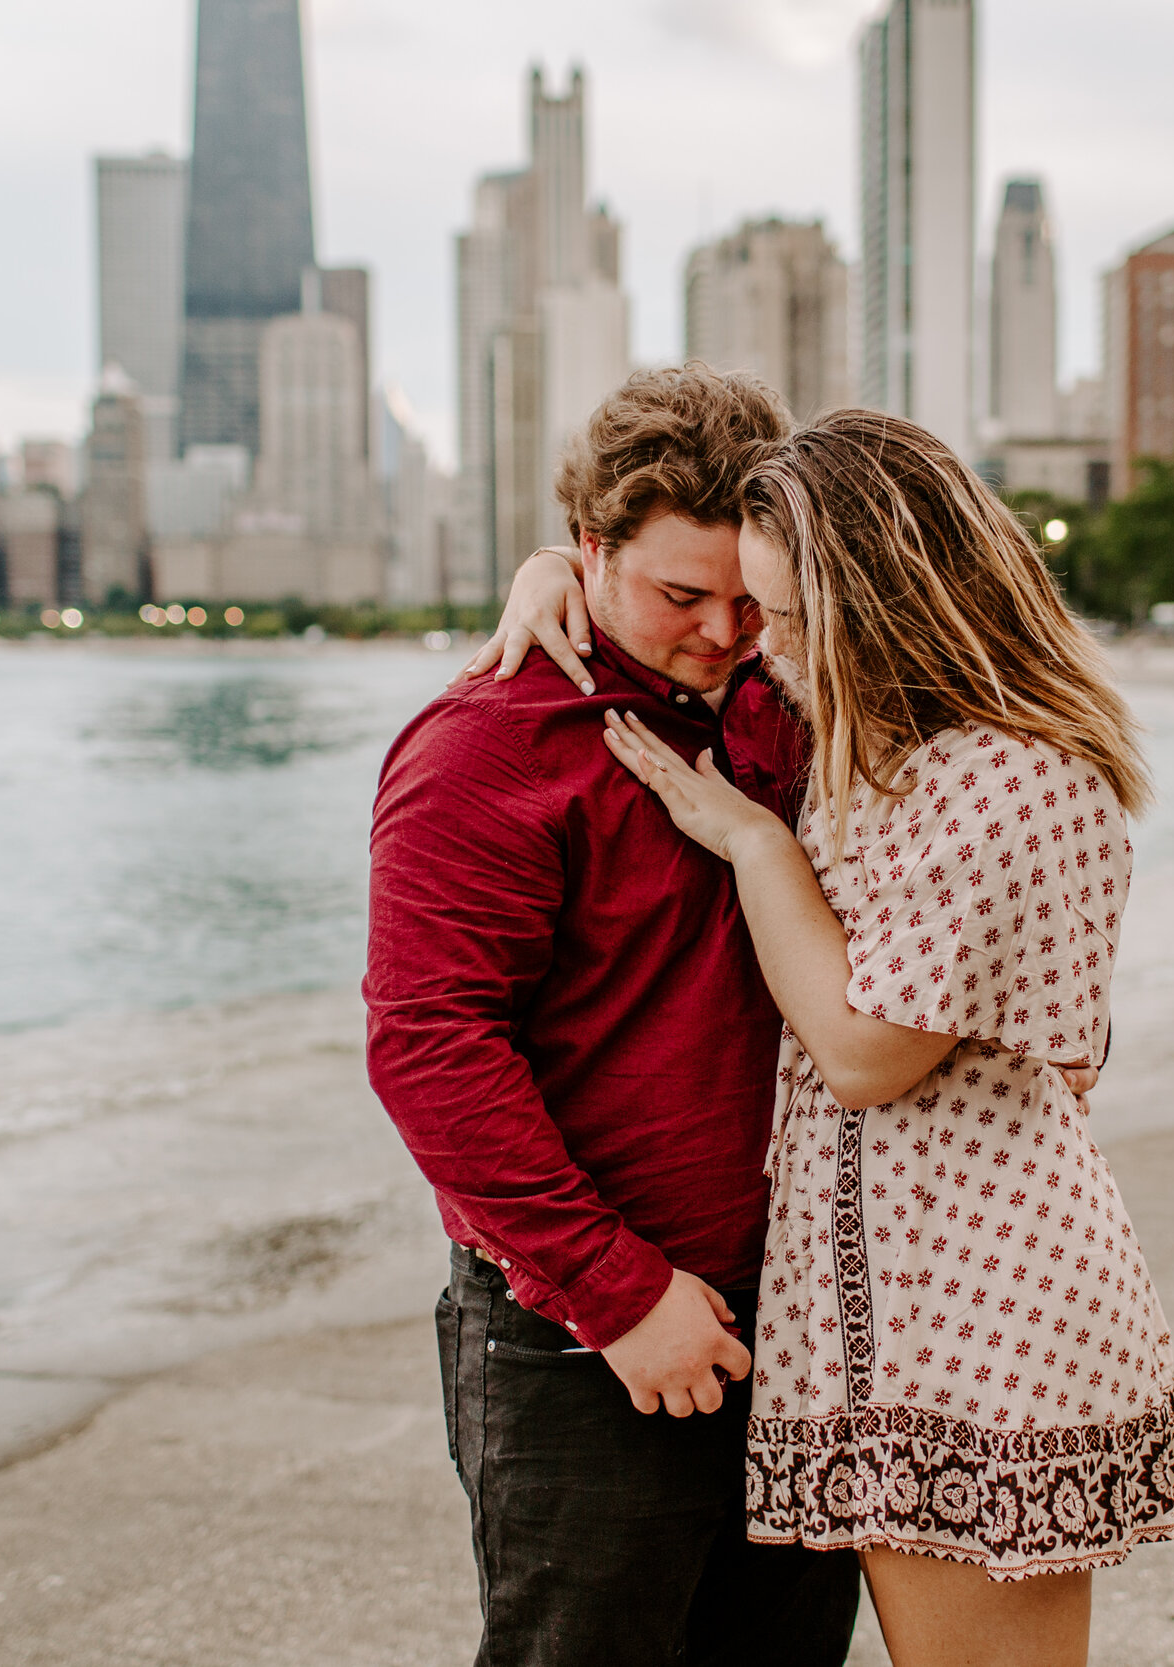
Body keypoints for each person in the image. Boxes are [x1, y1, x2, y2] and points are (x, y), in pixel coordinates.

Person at [490, 410, 1174, 1665]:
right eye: (749, 611)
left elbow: (869, 1054)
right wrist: (567, 573)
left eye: (788, 619)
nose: (762, 652)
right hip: (889, 1302)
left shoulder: (1006, 778)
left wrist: (754, 845)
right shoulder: (881, 745)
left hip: (978, 1313)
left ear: (885, 600)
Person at [364, 364, 863, 1666]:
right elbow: (429, 1047)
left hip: (799, 1309)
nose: (721, 628)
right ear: (589, 552)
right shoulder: (482, 748)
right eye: (678, 594)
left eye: (750, 597)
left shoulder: (781, 706)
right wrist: (618, 1293)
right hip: (578, 1333)